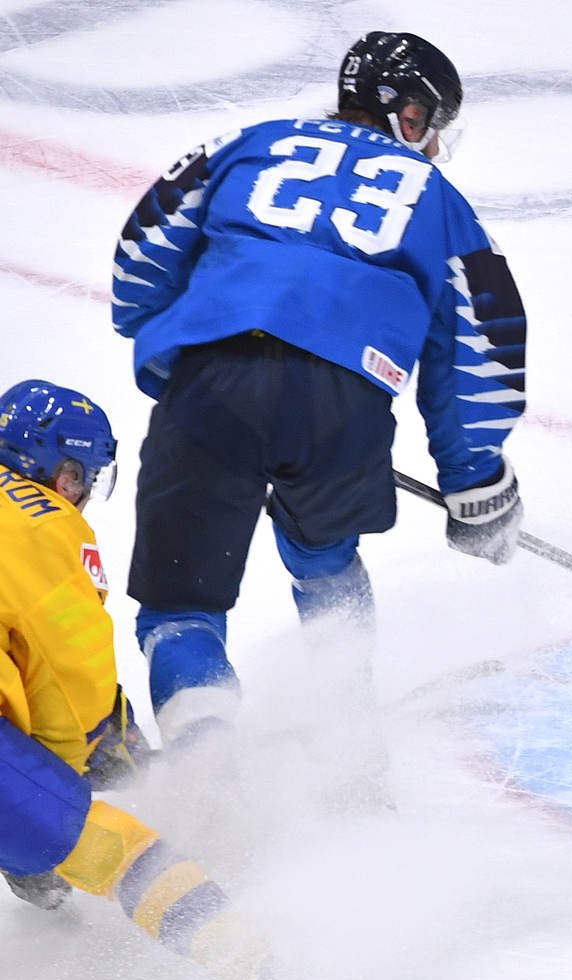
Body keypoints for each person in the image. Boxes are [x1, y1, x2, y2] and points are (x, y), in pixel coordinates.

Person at [109, 31, 527, 749]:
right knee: (324, 558)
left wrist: (176, 349)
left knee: (181, 608)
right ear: (412, 116)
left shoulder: (246, 142)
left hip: (210, 384)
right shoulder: (439, 198)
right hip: (342, 402)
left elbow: (143, 256)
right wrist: (476, 483)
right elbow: (484, 339)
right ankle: (350, 753)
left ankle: (206, 775)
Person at [1, 380, 268, 980]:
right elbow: (69, 679)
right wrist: (55, 811)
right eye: (82, 477)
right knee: (114, 849)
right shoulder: (43, 523)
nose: (85, 494)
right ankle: (272, 977)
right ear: (58, 470)